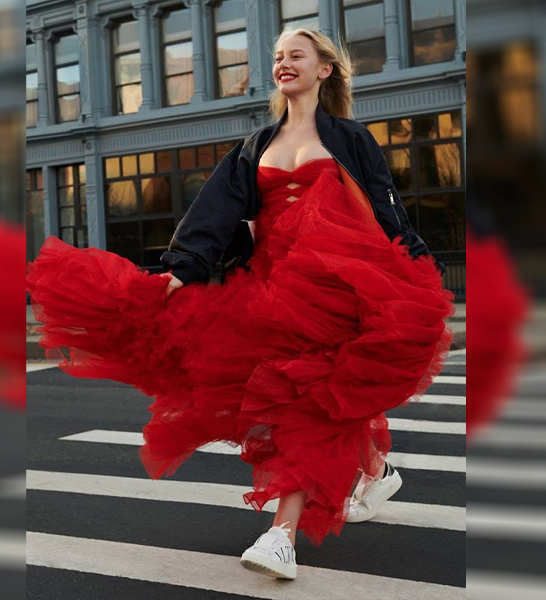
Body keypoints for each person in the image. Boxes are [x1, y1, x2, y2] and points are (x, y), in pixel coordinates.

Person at [26, 26, 455, 582]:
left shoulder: (351, 138)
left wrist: (417, 270)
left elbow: (385, 210)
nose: (283, 63)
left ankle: (281, 535)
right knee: (306, 394)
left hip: (341, 284)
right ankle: (374, 470)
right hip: (275, 289)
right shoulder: (256, 145)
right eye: (277, 57)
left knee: (309, 404)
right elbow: (214, 214)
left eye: (295, 55)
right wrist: (184, 270)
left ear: (323, 69)